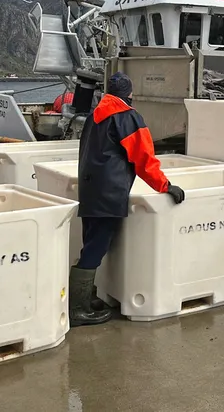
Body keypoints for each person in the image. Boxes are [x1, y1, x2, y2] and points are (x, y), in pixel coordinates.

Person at [70, 72, 185, 327]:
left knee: (90, 243)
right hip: (109, 193)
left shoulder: (94, 116)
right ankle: (77, 310)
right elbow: (143, 159)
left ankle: (86, 298)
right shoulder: (128, 118)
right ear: (129, 94)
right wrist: (165, 186)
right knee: (96, 247)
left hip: (90, 191)